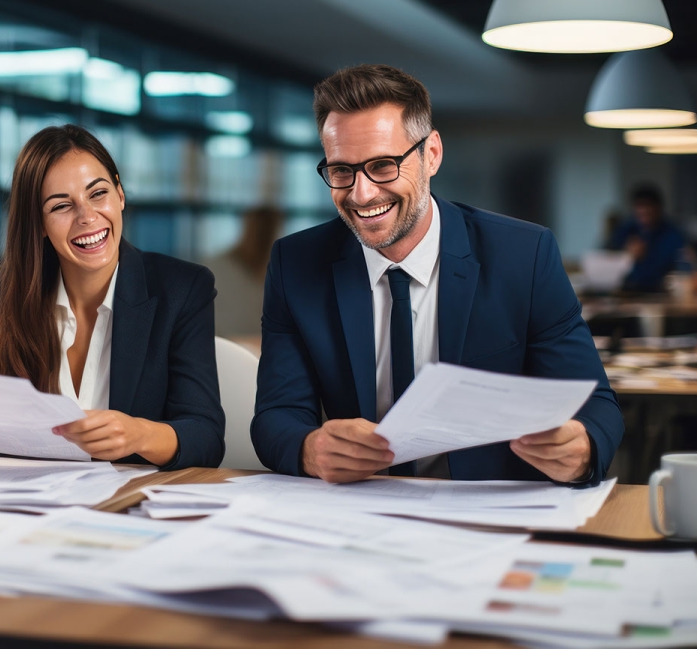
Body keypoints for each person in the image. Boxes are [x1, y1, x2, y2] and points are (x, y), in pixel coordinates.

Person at [251, 64, 623, 486]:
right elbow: (276, 417)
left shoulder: (523, 255)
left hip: (490, 506)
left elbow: (596, 405)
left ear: (431, 155)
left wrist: (583, 447)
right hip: (361, 507)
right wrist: (309, 449)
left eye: (383, 165)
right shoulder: (296, 262)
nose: (362, 193)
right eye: (342, 171)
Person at [0, 125, 225, 470]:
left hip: (131, 507)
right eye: (61, 206)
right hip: (32, 506)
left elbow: (206, 437)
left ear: (120, 193)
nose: (87, 217)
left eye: (98, 194)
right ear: (38, 223)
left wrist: (139, 434)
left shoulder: (182, 289)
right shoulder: (9, 289)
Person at [201, 206, 283, 339]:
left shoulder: (281, 270)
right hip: (227, 348)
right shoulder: (217, 269)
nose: (263, 236)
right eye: (259, 229)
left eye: (268, 230)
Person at [608, 184, 685, 292]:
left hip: (659, 293)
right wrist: (625, 255)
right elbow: (606, 256)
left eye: (648, 205)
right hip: (626, 292)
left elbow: (674, 268)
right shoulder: (627, 229)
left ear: (658, 208)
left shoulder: (673, 234)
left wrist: (643, 257)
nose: (643, 210)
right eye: (639, 206)